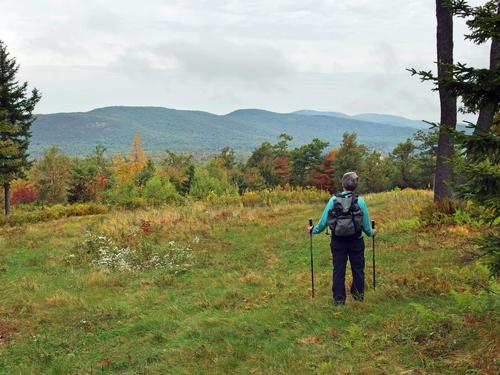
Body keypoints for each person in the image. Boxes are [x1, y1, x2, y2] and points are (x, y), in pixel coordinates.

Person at [307, 172, 376, 305]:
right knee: (358, 269)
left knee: (338, 269)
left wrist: (313, 230)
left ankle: (339, 300)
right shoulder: (360, 201)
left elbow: (324, 222)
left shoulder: (333, 200)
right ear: (355, 185)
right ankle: (358, 297)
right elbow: (366, 226)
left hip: (337, 241)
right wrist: (372, 233)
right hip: (356, 241)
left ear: (343, 184)